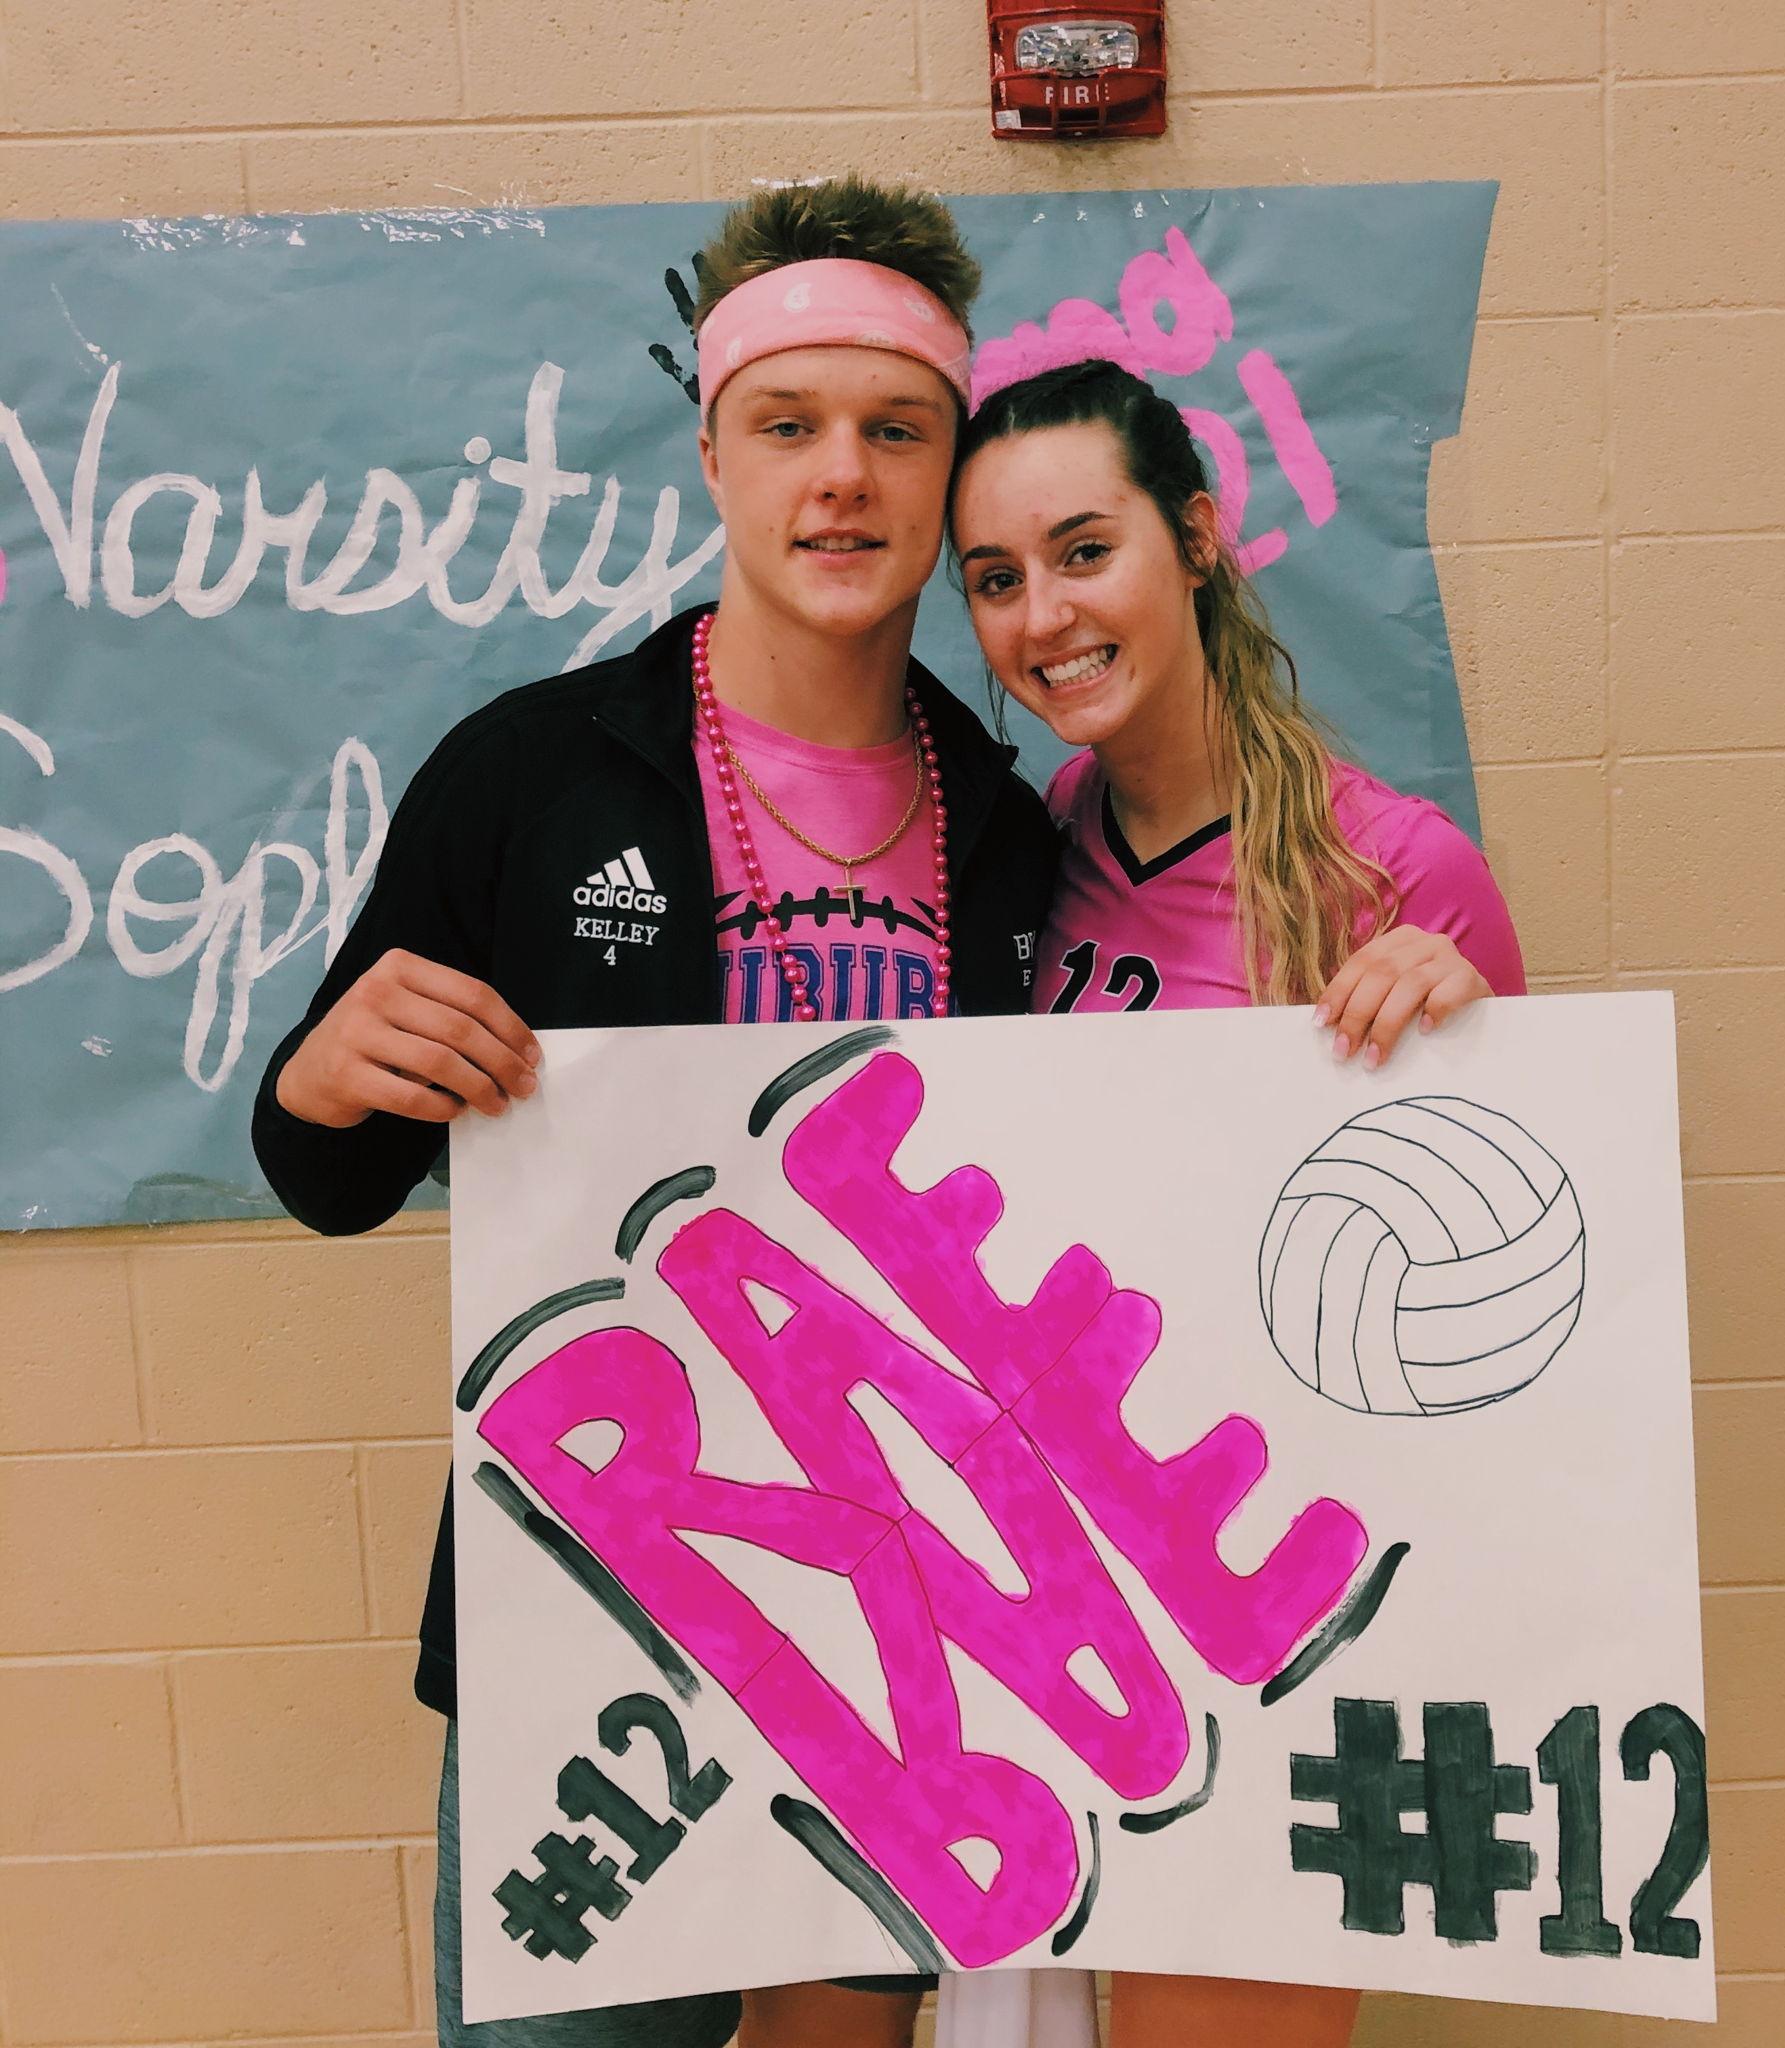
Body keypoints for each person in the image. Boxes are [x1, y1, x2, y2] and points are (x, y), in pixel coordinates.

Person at [252, 177, 1056, 2048]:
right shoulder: (530, 773)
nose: (840, 478)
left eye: (894, 431)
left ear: (949, 469)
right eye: (790, 427)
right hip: (589, 1617)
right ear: (712, 449)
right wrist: (320, 1076)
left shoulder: (1011, 827)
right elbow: (325, 1176)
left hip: (907, 1629)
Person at [944, 356, 1525, 2048]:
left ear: (1194, 538)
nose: (1044, 615)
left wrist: (1476, 1025)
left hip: (1258, 1604)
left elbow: (1500, 1282)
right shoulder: (1020, 848)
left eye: (1083, 549)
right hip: (1032, 1581)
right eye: (995, 581)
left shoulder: (1397, 874)